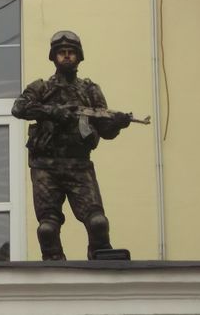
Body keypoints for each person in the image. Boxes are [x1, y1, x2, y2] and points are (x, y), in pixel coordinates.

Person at [11, 31, 131, 260]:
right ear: (54, 57)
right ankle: (53, 266)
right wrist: (53, 112)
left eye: (71, 53)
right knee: (47, 229)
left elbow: (105, 131)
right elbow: (19, 108)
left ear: (79, 57)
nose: (66, 57)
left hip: (79, 165)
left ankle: (101, 259)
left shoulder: (89, 91)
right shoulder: (41, 88)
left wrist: (117, 124)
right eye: (61, 53)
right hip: (46, 167)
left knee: (98, 222)